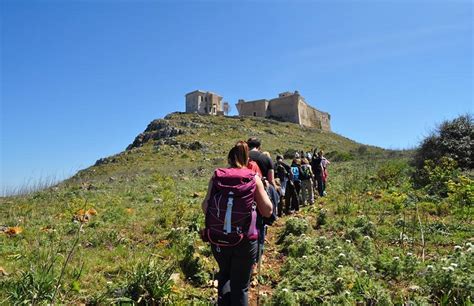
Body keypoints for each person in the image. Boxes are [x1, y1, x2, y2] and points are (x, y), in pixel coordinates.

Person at [202, 141, 273, 306]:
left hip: (219, 238)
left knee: (225, 277)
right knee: (240, 286)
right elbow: (267, 210)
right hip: (245, 240)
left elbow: (205, 206)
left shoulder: (217, 176)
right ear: (246, 158)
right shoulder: (252, 177)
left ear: (229, 157)